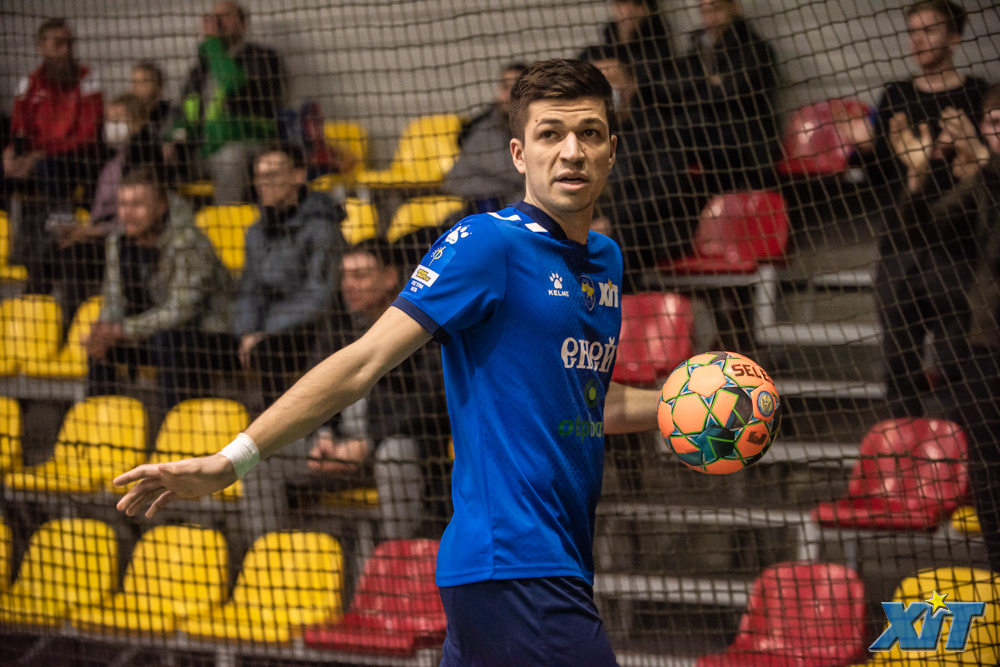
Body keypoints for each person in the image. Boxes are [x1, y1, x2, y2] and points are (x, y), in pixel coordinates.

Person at [115, 58, 666, 666]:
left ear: (612, 151)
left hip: (553, 559)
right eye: (550, 134)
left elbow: (582, 403)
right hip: (513, 564)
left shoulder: (604, 260)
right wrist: (231, 460)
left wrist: (684, 403)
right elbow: (361, 362)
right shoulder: (488, 243)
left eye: (589, 133)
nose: (572, 151)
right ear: (518, 153)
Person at [889, 85, 1000, 572]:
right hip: (988, 344)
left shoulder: (990, 177)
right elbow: (922, 230)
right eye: (993, 122)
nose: (998, 132)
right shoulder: (983, 182)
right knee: (989, 466)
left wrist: (982, 159)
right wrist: (918, 174)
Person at [868, 0, 991, 419]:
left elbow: (988, 172)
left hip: (957, 251)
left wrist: (969, 146)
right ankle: (902, 451)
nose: (917, 39)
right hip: (900, 248)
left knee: (956, 366)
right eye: (913, 31)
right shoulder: (896, 95)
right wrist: (867, 148)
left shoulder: (976, 94)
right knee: (898, 366)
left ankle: (955, 449)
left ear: (954, 38)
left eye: (929, 30)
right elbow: (877, 174)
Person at [307, 239, 451, 541]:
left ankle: (396, 557)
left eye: (360, 276)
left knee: (393, 454)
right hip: (338, 447)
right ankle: (267, 551)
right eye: (345, 276)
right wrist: (323, 434)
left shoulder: (420, 323)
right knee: (266, 457)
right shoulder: (338, 326)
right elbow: (315, 384)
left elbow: (430, 401)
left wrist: (368, 443)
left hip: (394, 445)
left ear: (390, 277)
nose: (349, 285)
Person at [86, 166, 236, 408]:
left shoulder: (187, 240)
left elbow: (183, 309)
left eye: (137, 205)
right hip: (157, 331)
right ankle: (99, 423)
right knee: (101, 349)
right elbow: (113, 297)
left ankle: (176, 423)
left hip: (212, 334)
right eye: (123, 204)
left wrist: (124, 329)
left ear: (161, 206)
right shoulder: (117, 241)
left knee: (170, 340)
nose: (127, 213)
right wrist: (105, 329)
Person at [232, 143, 345, 409]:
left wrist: (266, 330)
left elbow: (319, 297)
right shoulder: (256, 232)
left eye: (272, 175)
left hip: (315, 332)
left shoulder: (322, 228)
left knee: (268, 351)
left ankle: (280, 429)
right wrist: (247, 331)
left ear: (298, 175)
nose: (264, 184)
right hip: (265, 329)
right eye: (259, 176)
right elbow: (248, 289)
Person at [584, 44, 694, 290]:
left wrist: (612, 220)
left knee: (612, 243)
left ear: (632, 84)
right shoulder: (586, 136)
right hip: (597, 225)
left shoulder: (659, 131)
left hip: (650, 230)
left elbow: (663, 193)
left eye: (611, 81)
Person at [169, 1, 284, 204]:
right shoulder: (200, 70)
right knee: (154, 158)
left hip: (245, 142)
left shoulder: (262, 58)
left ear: (243, 23)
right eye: (214, 18)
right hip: (201, 149)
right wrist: (173, 138)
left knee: (230, 158)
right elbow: (183, 112)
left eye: (225, 16)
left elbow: (235, 85)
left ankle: (225, 218)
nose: (218, 23)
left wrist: (212, 44)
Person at [666, 0, 779, 191]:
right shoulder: (698, 47)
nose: (710, 18)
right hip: (699, 128)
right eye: (704, 12)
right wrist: (708, 81)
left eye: (716, 9)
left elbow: (732, 92)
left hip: (742, 139)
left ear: (735, 8)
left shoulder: (755, 50)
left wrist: (695, 93)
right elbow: (675, 86)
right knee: (663, 135)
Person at [4, 18, 103, 202]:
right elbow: (19, 129)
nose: (65, 50)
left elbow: (87, 135)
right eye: (58, 44)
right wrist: (10, 152)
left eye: (69, 44)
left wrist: (40, 154)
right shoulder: (29, 83)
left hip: (75, 158)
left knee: (47, 167)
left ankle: (59, 215)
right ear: (40, 47)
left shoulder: (87, 78)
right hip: (33, 157)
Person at [443, 63, 527, 213]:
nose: (509, 95)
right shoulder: (482, 129)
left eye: (517, 88)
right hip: (484, 210)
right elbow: (454, 181)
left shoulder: (539, 129)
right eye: (506, 87)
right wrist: (508, 187)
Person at [587, 0, 674, 107]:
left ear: (649, 10)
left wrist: (627, 77)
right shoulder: (600, 50)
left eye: (637, 4)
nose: (628, 11)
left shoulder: (658, 51)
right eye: (623, 3)